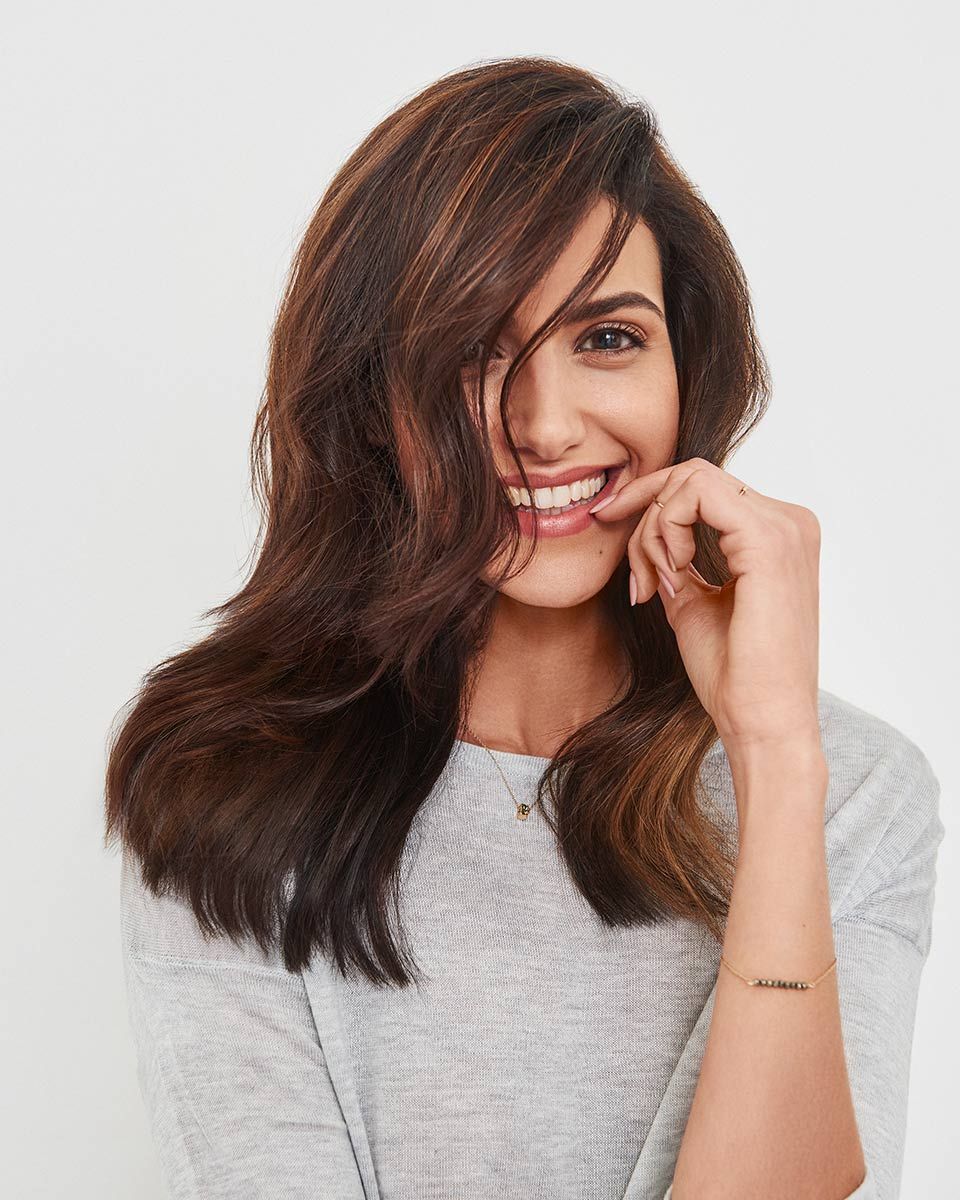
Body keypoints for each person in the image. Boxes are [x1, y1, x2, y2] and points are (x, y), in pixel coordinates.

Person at [105, 56, 944, 1199]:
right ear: (370, 400)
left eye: (608, 339)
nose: (548, 427)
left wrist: (777, 757)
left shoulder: (849, 793)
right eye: (471, 355)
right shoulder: (230, 787)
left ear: (687, 368)